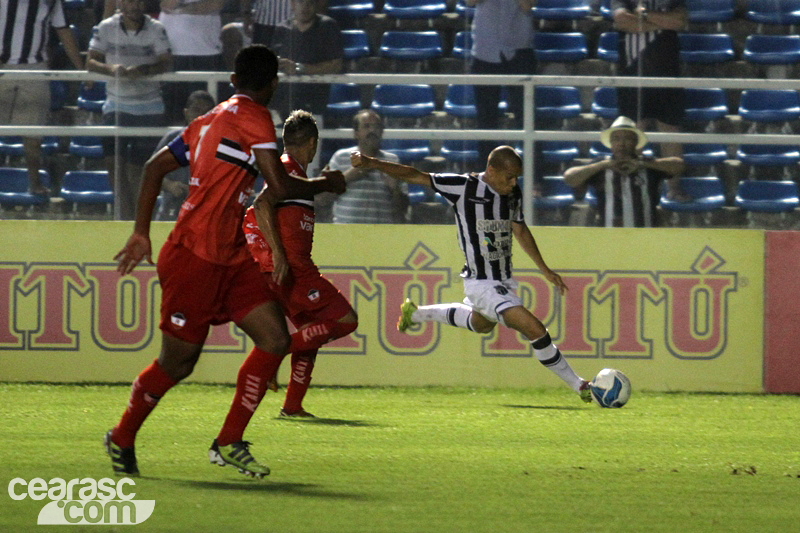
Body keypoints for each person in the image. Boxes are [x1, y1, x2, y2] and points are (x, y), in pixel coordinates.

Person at [105, 45, 345, 479]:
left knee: (275, 339)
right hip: (193, 257)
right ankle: (122, 435)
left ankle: (229, 441)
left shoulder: (206, 121)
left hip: (232, 256)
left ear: (233, 81)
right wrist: (327, 182)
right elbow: (278, 185)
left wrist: (141, 230)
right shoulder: (257, 118)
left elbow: (153, 168)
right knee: (178, 362)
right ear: (273, 84)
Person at [351, 146, 594, 403]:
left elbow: (520, 230)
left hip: (502, 282)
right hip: (481, 283)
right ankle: (579, 385)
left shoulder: (512, 194)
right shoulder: (464, 187)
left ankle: (417, 313)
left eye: (517, 178)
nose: (514, 183)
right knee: (534, 329)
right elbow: (414, 175)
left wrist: (544, 269)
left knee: (482, 324)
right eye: (509, 177)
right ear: (491, 170)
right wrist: (372, 162)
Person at [243, 110, 358, 417]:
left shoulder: (295, 175)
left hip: (286, 267)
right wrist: (279, 254)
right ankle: (273, 352)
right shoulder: (286, 169)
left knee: (312, 332)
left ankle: (292, 407)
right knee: (346, 320)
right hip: (291, 268)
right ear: (312, 143)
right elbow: (261, 203)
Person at [87, 0, 173, 220]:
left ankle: (140, 221)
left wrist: (144, 70)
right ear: (120, 4)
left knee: (140, 170)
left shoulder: (156, 28)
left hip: (149, 107)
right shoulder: (106, 27)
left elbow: (166, 62)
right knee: (113, 165)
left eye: (137, 1)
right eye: (128, 1)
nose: (133, 6)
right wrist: (112, 69)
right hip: (116, 104)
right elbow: (91, 62)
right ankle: (123, 220)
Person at [0, 0, 84, 196]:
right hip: (2, 65)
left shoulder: (51, 1)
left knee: (33, 132)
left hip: (34, 67)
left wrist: (81, 69)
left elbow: (63, 31)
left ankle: (34, 182)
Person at [563, 116, 686, 227]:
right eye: (616, 139)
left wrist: (642, 163)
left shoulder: (648, 164)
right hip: (609, 236)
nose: (621, 143)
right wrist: (604, 165)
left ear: (636, 143)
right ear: (611, 144)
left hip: (645, 235)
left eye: (627, 138)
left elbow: (679, 165)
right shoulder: (600, 165)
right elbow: (569, 178)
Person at [612, 0, 687, 158]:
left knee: (670, 130)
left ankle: (673, 183)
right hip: (632, 70)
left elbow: (679, 21)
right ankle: (631, 181)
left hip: (667, 70)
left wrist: (645, 14)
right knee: (633, 131)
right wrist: (663, 23)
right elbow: (622, 21)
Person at [467, 0, 536, 164]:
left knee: (526, 116)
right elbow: (469, 2)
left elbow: (528, 5)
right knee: (485, 118)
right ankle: (487, 178)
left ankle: (534, 178)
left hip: (520, 51)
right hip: (484, 51)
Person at [319, 109, 407, 224]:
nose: (372, 130)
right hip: (345, 234)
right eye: (366, 126)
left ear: (382, 132)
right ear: (356, 133)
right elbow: (320, 198)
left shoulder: (393, 161)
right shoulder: (340, 157)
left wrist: (395, 190)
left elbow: (403, 210)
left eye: (377, 127)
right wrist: (348, 176)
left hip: (380, 236)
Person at [268, 0, 344, 117]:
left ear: (316, 5)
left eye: (310, 3)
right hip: (282, 101)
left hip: (314, 99)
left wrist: (299, 68)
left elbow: (336, 65)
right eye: (301, 2)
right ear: (293, 4)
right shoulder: (282, 28)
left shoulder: (327, 26)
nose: (305, 7)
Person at [158, 0, 227, 123]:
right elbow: (167, 5)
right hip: (173, 52)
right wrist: (191, 7)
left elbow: (214, 4)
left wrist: (181, 9)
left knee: (209, 111)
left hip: (207, 52)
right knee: (174, 114)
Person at [153, 90, 216, 221]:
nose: (201, 115)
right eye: (196, 110)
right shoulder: (172, 139)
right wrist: (170, 185)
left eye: (207, 112)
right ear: (186, 112)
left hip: (207, 212)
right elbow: (152, 173)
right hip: (172, 210)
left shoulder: (222, 143)